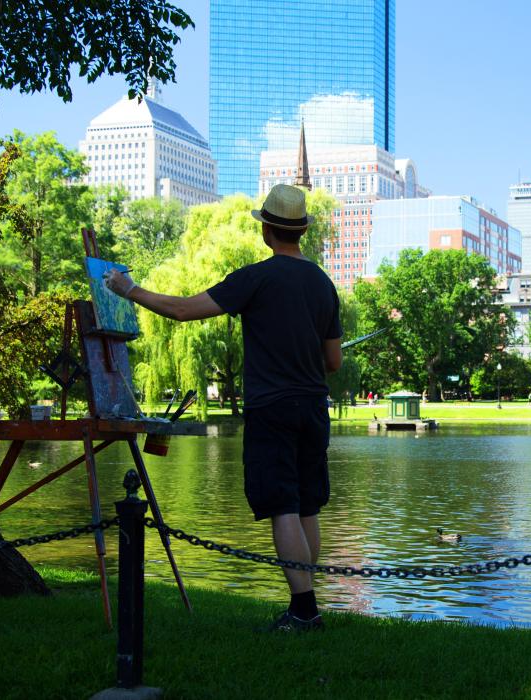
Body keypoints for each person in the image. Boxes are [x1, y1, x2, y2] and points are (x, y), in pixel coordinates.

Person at [104, 184, 340, 632]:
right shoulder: (324, 285)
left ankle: (303, 611)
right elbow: (333, 362)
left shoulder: (256, 278)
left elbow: (182, 309)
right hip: (313, 408)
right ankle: (310, 604)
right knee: (308, 506)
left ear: (267, 230)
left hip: (272, 408)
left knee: (283, 506)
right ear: (302, 231)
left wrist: (129, 289)